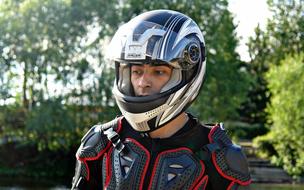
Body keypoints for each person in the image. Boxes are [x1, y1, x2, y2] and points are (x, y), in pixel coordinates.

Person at [71, 9, 251, 190]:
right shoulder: (102, 143)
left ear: (185, 75)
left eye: (159, 72)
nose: (143, 82)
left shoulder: (220, 158)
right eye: (136, 71)